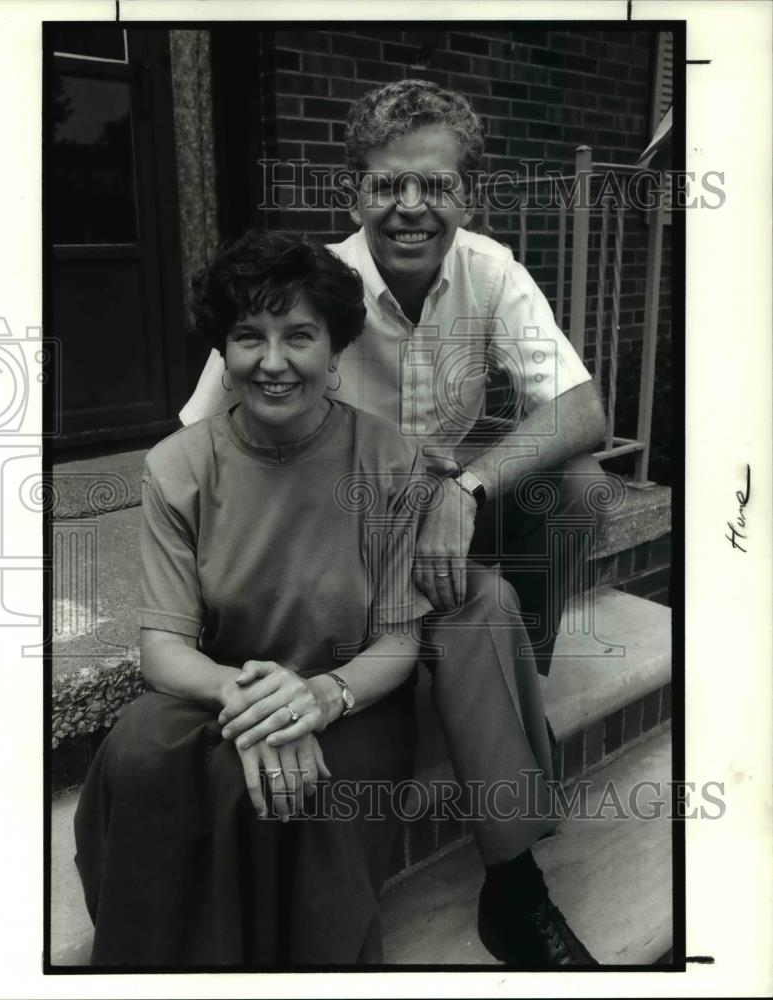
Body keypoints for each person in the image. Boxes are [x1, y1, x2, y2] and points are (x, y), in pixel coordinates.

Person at [179, 80, 606, 966]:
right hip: (328, 527)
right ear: (355, 193)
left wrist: (467, 490)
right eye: (386, 185)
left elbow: (581, 406)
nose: (410, 207)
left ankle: (507, 826)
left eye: (435, 185)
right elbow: (195, 443)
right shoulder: (312, 293)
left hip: (437, 509)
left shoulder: (490, 271)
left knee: (570, 493)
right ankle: (489, 745)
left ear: (467, 195)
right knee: (471, 608)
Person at [74, 232, 441, 966]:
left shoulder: (389, 459)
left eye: (298, 335)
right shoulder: (178, 465)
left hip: (353, 696)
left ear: (333, 348)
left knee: (303, 792)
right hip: (222, 688)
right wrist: (261, 705)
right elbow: (164, 650)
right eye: (249, 337)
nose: (272, 362)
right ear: (224, 353)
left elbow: (399, 641)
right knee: (141, 749)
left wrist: (318, 699)